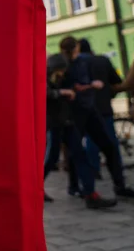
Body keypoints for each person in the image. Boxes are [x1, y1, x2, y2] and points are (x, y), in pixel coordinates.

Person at [60, 36, 134, 204]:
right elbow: (67, 88)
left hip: (89, 110)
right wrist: (89, 86)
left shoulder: (82, 63)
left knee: (104, 147)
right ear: (76, 48)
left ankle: (116, 186)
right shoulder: (66, 66)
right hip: (76, 113)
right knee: (79, 152)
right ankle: (87, 192)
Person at [77, 39, 123, 178]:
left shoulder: (77, 64)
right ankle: (117, 174)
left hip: (86, 109)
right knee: (111, 142)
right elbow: (116, 81)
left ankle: (94, 170)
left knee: (91, 141)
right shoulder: (103, 60)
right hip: (104, 108)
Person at [44, 54, 77, 202]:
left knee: (72, 153)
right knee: (52, 156)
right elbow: (45, 93)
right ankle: (37, 186)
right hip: (53, 122)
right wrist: (61, 93)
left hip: (62, 120)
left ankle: (75, 186)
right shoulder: (44, 76)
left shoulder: (56, 77)